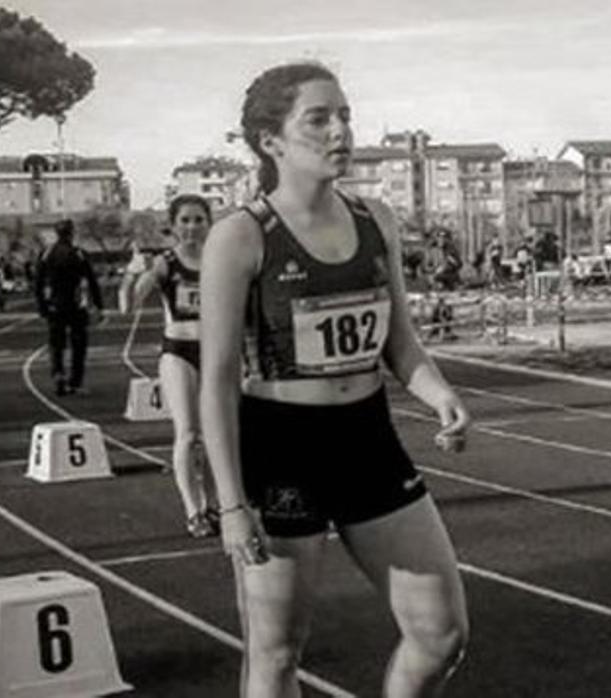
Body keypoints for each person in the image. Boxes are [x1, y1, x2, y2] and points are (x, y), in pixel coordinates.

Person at [199, 62, 471, 697]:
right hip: (282, 447)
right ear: (272, 141)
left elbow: (401, 343)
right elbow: (214, 381)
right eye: (317, 119)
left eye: (344, 114)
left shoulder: (376, 219)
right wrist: (233, 505)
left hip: (367, 440)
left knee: (441, 632)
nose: (339, 130)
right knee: (275, 653)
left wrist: (439, 396)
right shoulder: (239, 237)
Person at [133, 194, 218, 538]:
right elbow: (131, 302)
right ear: (174, 225)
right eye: (185, 220)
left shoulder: (220, 260)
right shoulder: (166, 263)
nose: (192, 227)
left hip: (215, 351)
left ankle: (214, 505)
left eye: (199, 219)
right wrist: (135, 272)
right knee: (188, 433)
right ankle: (193, 510)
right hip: (179, 351)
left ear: (209, 223)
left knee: (216, 436)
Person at [35, 219, 103, 396]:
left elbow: (38, 283)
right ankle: (75, 381)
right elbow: (91, 281)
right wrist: (98, 305)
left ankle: (58, 373)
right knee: (78, 344)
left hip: (55, 305)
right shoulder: (78, 254)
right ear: (72, 233)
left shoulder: (47, 254)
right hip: (76, 304)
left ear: (56, 233)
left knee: (56, 343)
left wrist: (42, 306)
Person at [118, 240, 150, 315]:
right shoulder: (128, 258)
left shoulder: (141, 257)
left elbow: (143, 268)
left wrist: (129, 270)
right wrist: (123, 270)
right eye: (133, 246)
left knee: (132, 290)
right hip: (129, 276)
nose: (135, 248)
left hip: (136, 276)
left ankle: (131, 308)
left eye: (136, 246)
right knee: (122, 291)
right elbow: (125, 268)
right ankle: (125, 308)